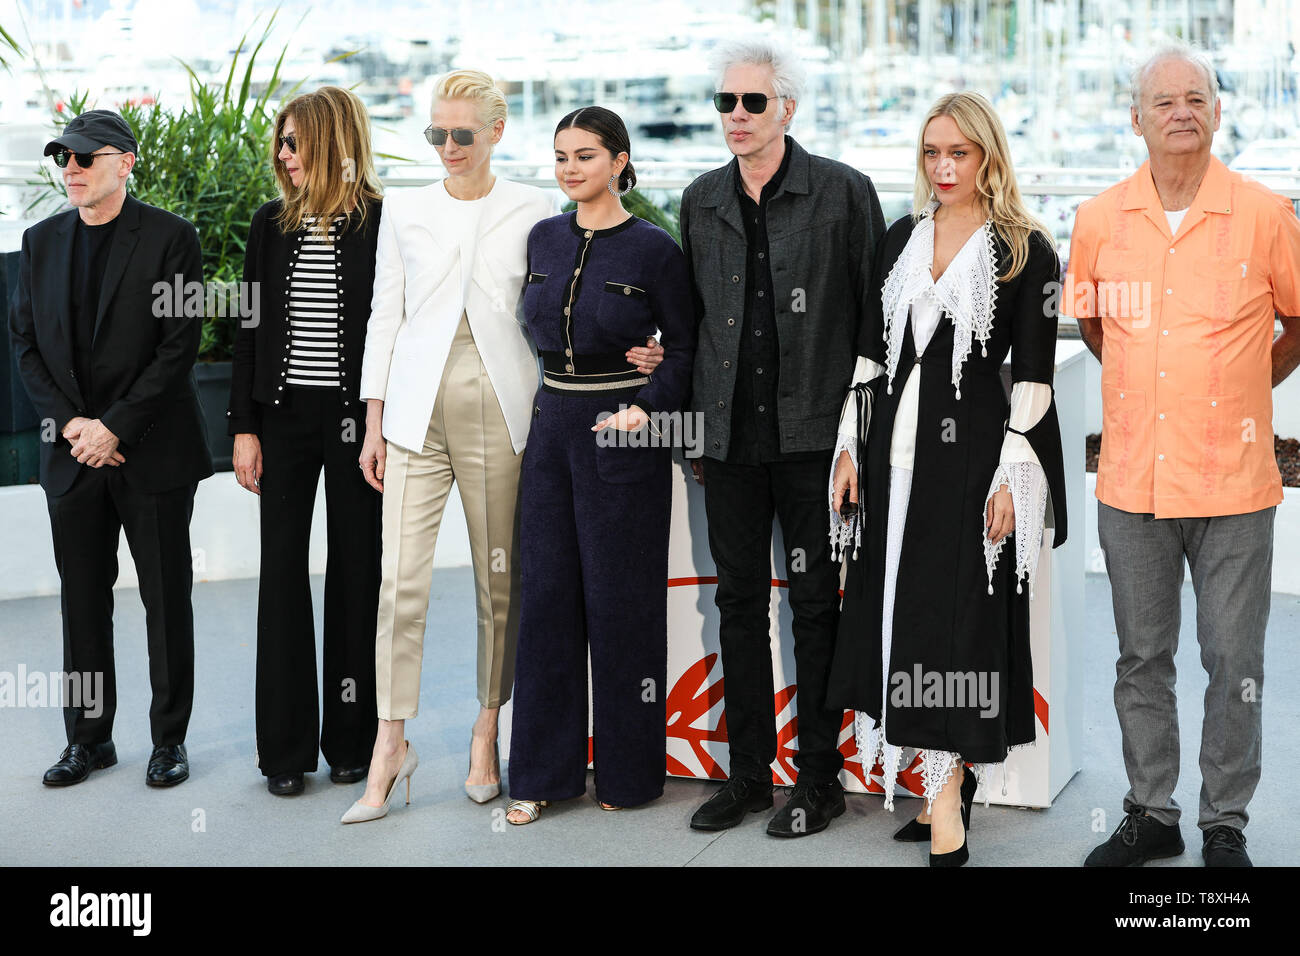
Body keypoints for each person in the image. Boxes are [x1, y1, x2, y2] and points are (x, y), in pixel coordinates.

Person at [345, 72, 661, 823]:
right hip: (413, 413)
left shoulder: (534, 209)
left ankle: (489, 733)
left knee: (502, 590)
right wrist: (372, 416)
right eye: (436, 135)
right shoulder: (405, 209)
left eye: (462, 135)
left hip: (506, 407)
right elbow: (383, 312)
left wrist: (645, 350)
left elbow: (574, 297)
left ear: (495, 132)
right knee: (400, 585)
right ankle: (390, 744)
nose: (448, 148)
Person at [1070, 44, 1300, 868]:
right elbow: (1095, 327)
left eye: (1195, 98)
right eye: (1163, 101)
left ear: (1216, 111)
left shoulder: (1267, 215)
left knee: (1235, 660)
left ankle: (1226, 820)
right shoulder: (1097, 220)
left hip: (1237, 482)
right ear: (1137, 119)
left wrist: (1246, 383)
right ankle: (1152, 813)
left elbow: (1298, 321)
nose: (1181, 111)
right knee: (1142, 656)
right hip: (1133, 478)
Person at [827, 91, 1068, 867]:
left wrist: (1012, 479)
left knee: (958, 625)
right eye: (932, 152)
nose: (943, 167)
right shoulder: (901, 236)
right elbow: (869, 357)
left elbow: (1031, 380)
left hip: (969, 467)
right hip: (892, 462)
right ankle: (939, 783)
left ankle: (943, 798)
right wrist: (846, 451)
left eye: (958, 153)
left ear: (989, 155)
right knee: (897, 613)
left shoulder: (1026, 249)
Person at [682, 38, 886, 838]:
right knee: (735, 607)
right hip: (730, 444)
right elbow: (693, 322)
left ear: (787, 109)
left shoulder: (843, 193)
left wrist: (857, 443)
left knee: (813, 610)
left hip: (813, 442)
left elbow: (876, 323)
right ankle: (747, 778)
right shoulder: (700, 199)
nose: (737, 115)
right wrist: (693, 430)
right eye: (726, 102)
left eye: (753, 102)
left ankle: (822, 782)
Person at [8, 109, 213, 787]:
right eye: (62, 157)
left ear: (124, 162)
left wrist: (114, 427)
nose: (70, 167)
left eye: (85, 157)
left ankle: (169, 741)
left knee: (165, 597)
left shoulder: (172, 239)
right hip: (72, 456)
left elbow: (178, 347)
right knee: (82, 603)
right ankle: (89, 740)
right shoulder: (40, 242)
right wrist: (73, 427)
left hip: (150, 452)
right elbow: (26, 345)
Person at [504, 107, 695, 825]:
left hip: (624, 431)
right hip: (552, 427)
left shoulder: (655, 249)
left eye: (585, 156)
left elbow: (682, 347)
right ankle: (542, 775)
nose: (569, 169)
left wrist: (648, 406)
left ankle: (629, 773)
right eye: (560, 157)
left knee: (624, 607)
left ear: (619, 161)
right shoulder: (544, 237)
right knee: (547, 603)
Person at [226, 87, 385, 796]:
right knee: (282, 576)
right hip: (282, 421)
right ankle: (283, 754)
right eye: (281, 144)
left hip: (358, 428)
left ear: (332, 143)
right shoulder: (270, 225)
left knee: (358, 575)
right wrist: (243, 428)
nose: (284, 157)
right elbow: (248, 333)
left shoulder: (381, 223)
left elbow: (397, 331)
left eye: (296, 143)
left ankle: (352, 742)